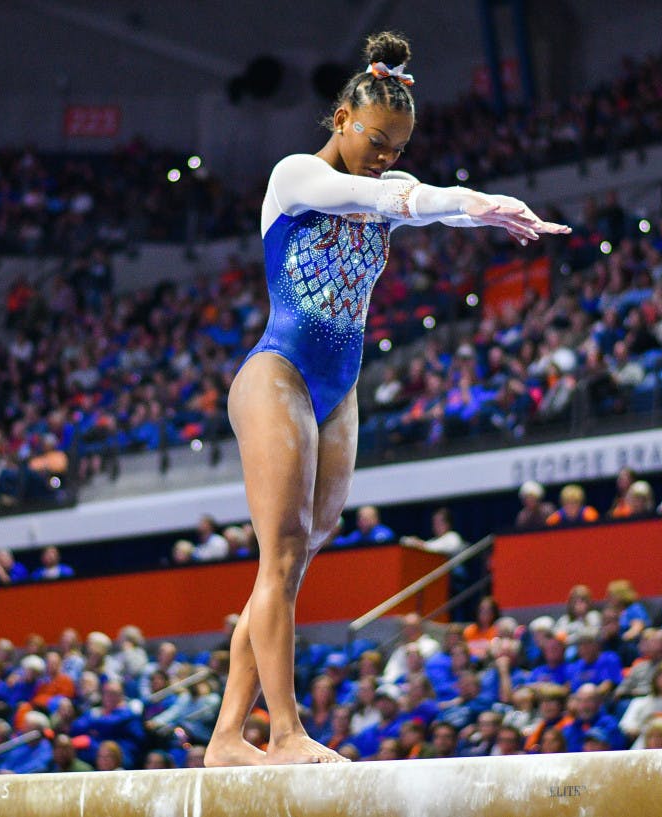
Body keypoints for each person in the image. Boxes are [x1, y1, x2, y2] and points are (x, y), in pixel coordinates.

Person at [203, 30, 567, 765]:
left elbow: (404, 200)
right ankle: (284, 732)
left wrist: (477, 207)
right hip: (279, 374)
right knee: (278, 559)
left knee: (291, 564)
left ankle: (223, 736)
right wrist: (468, 201)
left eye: (398, 147)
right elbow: (384, 198)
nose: (385, 155)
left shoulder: (380, 187)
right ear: (342, 117)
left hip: (339, 392)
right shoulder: (297, 175)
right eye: (376, 138)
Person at [331, 505, 396, 548]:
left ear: (376, 519)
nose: (362, 522)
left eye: (366, 519)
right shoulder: (356, 535)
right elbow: (341, 543)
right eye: (360, 518)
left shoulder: (384, 533)